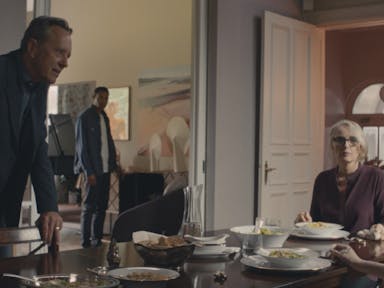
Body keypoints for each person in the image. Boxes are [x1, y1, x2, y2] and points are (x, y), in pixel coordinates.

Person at [0, 16, 72, 253]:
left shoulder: (40, 86)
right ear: (32, 48)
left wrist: (49, 207)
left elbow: (38, 145)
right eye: (60, 52)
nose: (65, 63)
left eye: (68, 56)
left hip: (6, 209)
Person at [295, 119, 384, 234]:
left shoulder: (377, 177)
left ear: (360, 147)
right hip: (327, 248)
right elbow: (316, 222)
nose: (346, 145)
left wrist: (380, 228)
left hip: (362, 248)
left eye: (353, 140)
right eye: (340, 140)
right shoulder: (322, 179)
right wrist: (305, 223)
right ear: (332, 146)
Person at [74, 86, 117, 248]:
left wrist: (115, 166)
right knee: (89, 207)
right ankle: (85, 242)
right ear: (93, 97)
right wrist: (88, 171)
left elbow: (109, 142)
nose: (103, 101)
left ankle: (97, 240)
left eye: (106, 98)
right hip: (92, 171)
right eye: (100, 98)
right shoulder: (84, 117)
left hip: (106, 169)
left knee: (102, 207)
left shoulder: (104, 117)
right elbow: (82, 148)